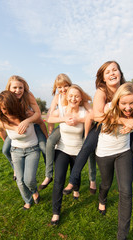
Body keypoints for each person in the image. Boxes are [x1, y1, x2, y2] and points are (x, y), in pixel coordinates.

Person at [63, 60, 133, 204]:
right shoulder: (102, 91)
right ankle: (72, 181)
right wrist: (124, 120)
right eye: (107, 72)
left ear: (120, 73)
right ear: (103, 78)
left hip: (126, 129)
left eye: (115, 70)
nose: (112, 73)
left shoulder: (130, 88)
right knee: (87, 147)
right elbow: (97, 115)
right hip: (104, 126)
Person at [96, 82, 133, 240]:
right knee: (106, 184)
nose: (128, 108)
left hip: (124, 152)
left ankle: (122, 236)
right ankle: (102, 199)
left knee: (126, 191)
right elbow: (100, 117)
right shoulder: (109, 107)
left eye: (132, 103)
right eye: (124, 103)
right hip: (104, 153)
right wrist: (124, 121)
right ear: (117, 101)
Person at [39, 74, 95, 193]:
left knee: (88, 147)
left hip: (81, 125)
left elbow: (92, 115)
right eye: (59, 87)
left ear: (70, 85)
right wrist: (53, 130)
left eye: (65, 86)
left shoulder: (78, 97)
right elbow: (49, 117)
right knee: (49, 142)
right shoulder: (57, 98)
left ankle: (92, 179)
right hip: (64, 126)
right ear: (56, 88)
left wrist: (78, 120)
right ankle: (48, 175)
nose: (63, 89)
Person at [47, 84, 91, 225]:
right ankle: (56, 213)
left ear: (80, 98)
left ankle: (76, 190)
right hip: (62, 150)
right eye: (71, 95)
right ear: (67, 96)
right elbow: (49, 118)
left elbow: (95, 117)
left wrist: (78, 120)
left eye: (76, 96)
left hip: (78, 151)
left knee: (75, 176)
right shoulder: (62, 110)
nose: (73, 98)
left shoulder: (85, 112)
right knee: (59, 180)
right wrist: (64, 119)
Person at [0, 91, 40, 210]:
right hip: (16, 151)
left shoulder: (26, 113)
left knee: (29, 180)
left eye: (9, 108)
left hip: (32, 149)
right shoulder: (1, 118)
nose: (7, 111)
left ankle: (34, 190)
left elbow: (39, 119)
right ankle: (28, 201)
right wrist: (7, 141)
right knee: (20, 181)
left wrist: (28, 121)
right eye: (4, 108)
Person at [0, 75, 48, 181]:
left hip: (32, 125)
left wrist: (27, 120)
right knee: (5, 150)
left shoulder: (28, 95)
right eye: (14, 88)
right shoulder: (6, 98)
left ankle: (49, 174)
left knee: (44, 147)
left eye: (20, 87)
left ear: (24, 88)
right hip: (16, 129)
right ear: (9, 88)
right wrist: (13, 129)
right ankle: (15, 167)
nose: (18, 90)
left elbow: (38, 114)